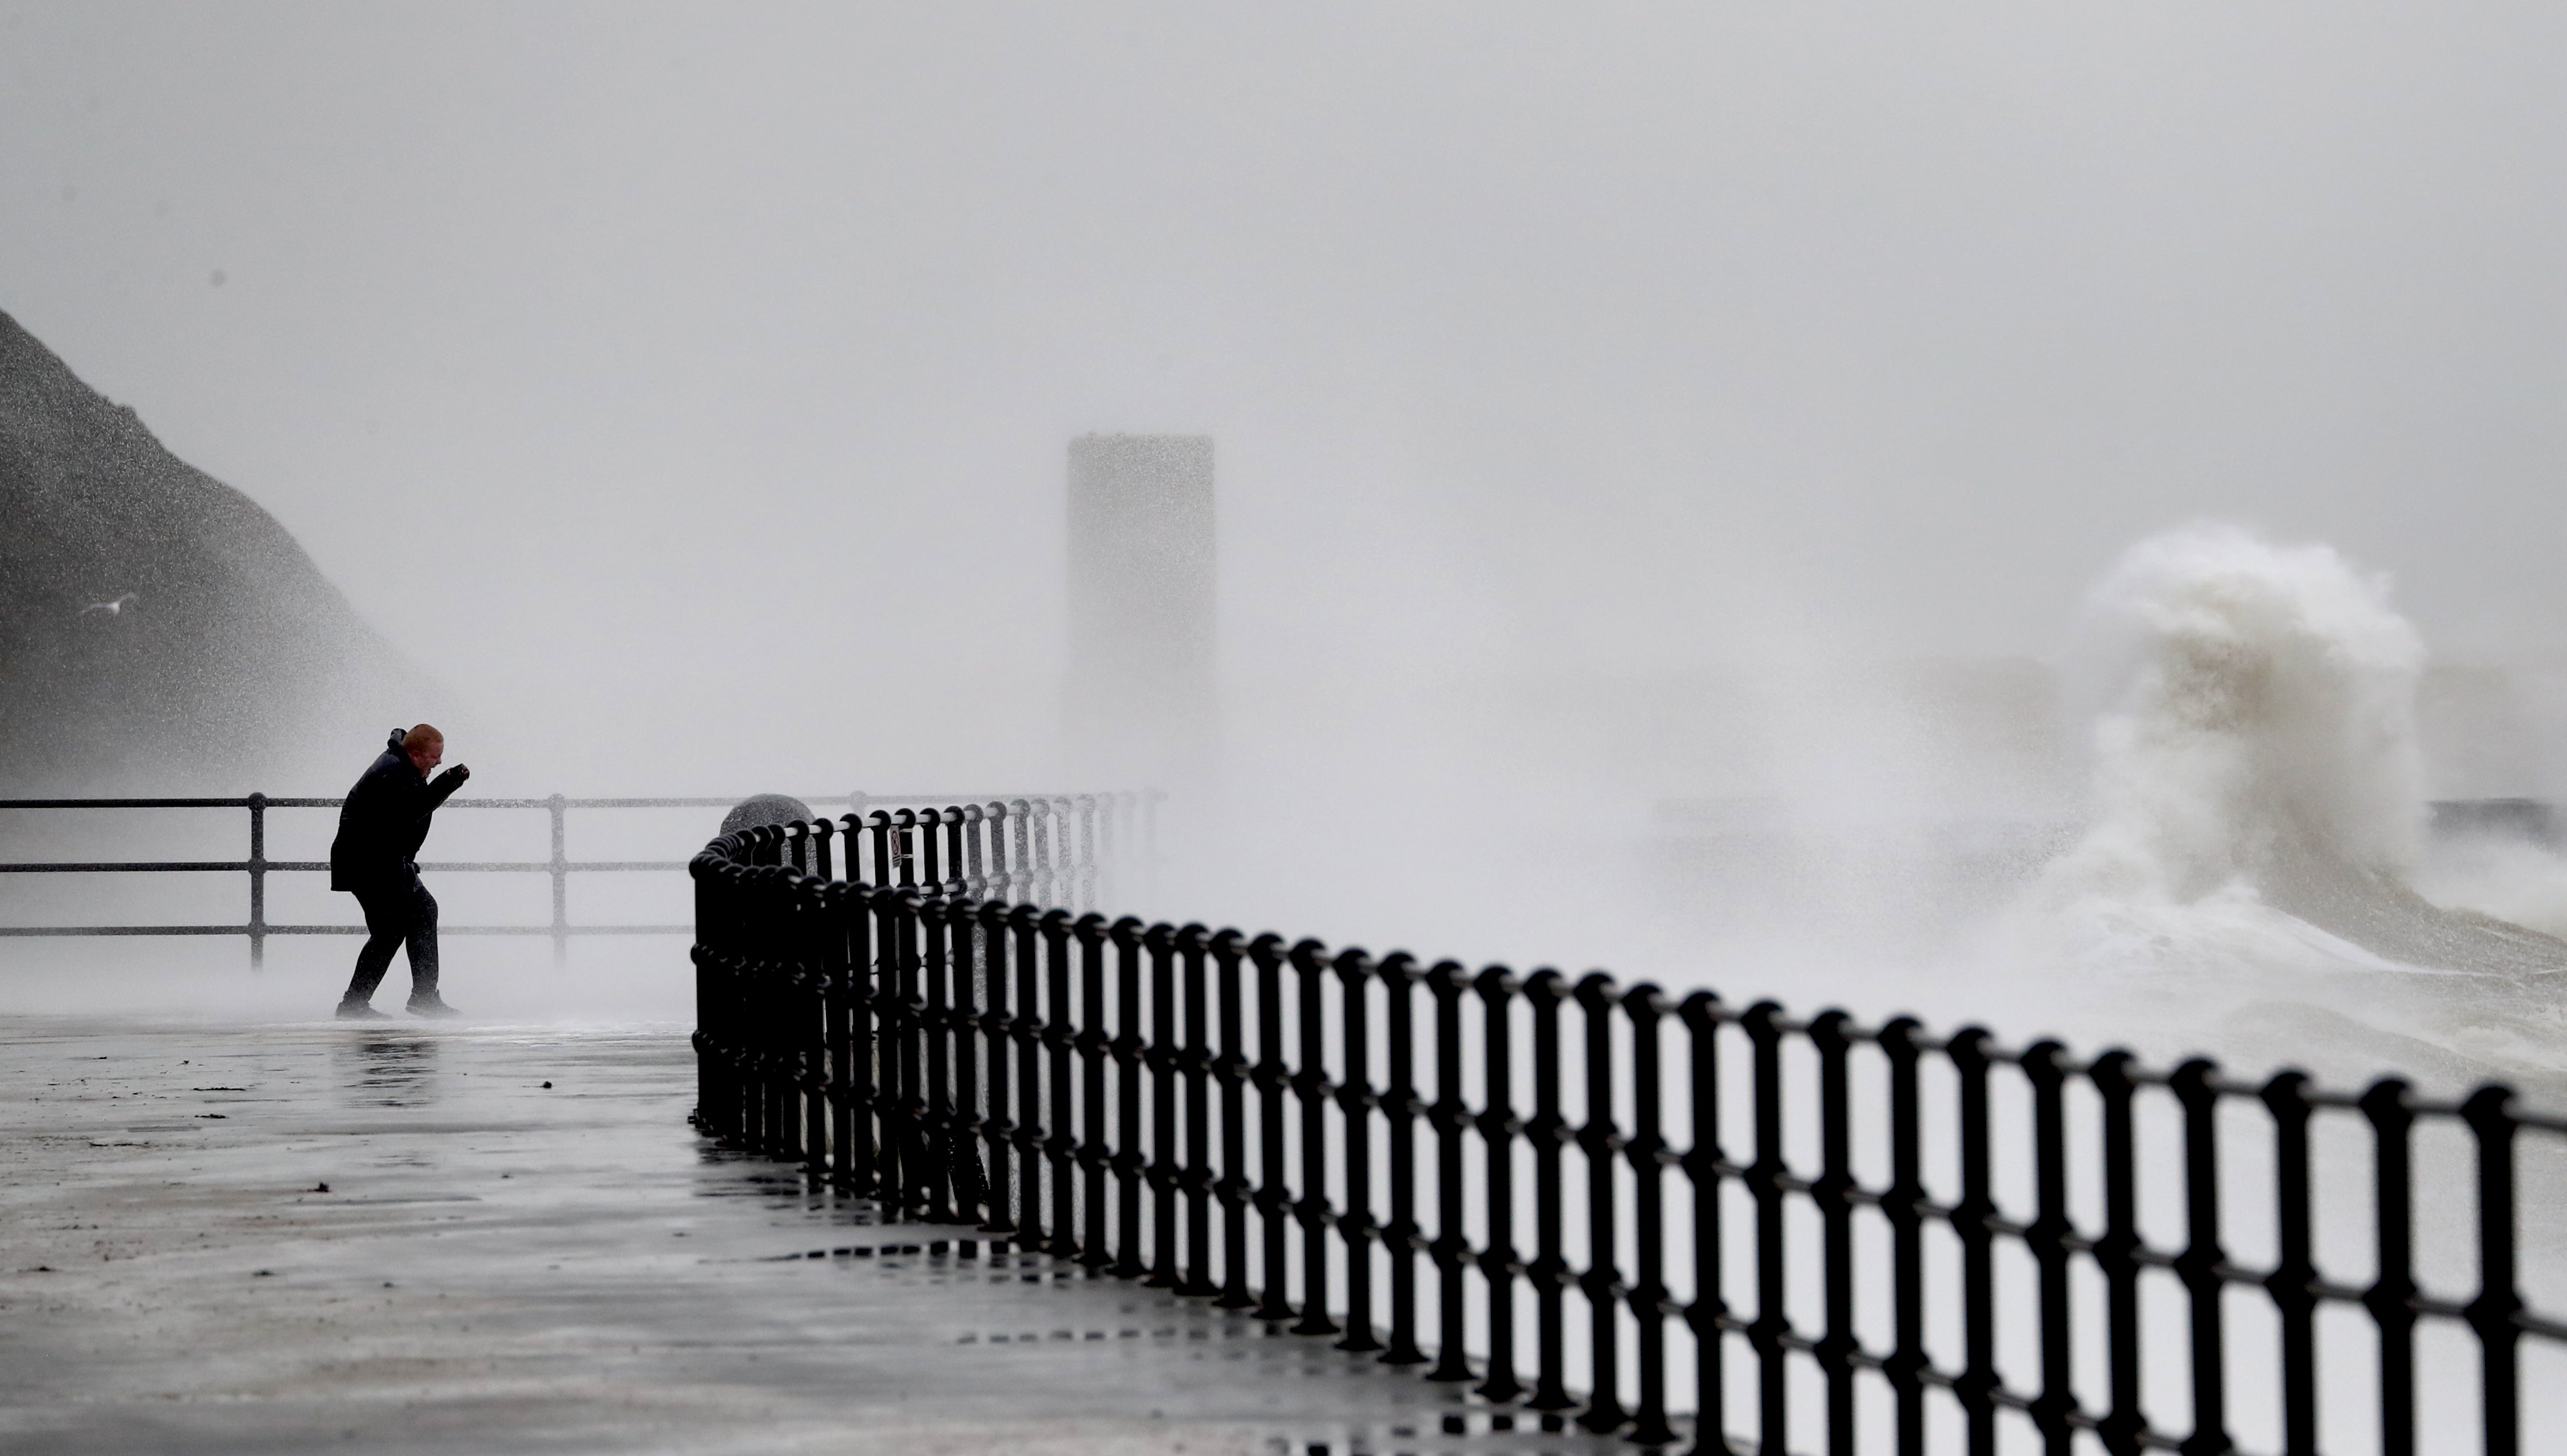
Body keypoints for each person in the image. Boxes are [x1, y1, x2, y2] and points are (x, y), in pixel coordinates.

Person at [330, 724, 470, 1019]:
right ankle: (365, 1003)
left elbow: (400, 822)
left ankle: (404, 998)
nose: (439, 762)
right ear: (417, 755)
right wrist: (449, 781)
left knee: (409, 919)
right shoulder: (393, 772)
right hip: (368, 864)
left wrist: (405, 859)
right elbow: (411, 812)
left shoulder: (402, 766)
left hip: (380, 862)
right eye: (435, 757)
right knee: (394, 927)